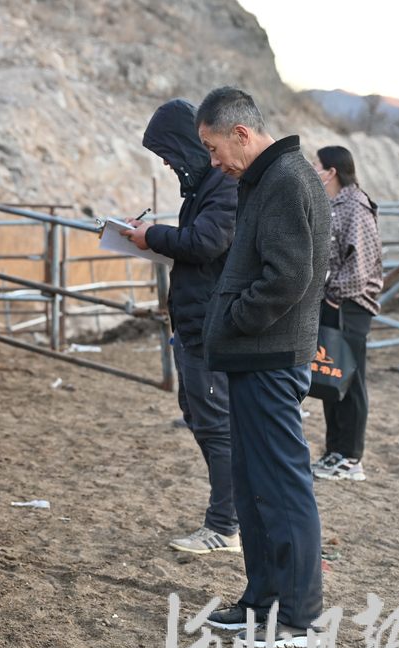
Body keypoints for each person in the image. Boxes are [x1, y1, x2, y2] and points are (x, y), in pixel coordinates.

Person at [194, 87, 330, 648]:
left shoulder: (286, 179)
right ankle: (262, 601)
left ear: (241, 134)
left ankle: (298, 617)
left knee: (282, 485)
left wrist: (233, 319)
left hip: (270, 358)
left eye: (213, 147)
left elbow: (288, 276)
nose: (213, 161)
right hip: (257, 357)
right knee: (255, 485)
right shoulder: (269, 177)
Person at [121, 99, 239, 555]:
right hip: (194, 323)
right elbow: (197, 241)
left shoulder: (222, 186)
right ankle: (229, 518)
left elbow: (207, 241)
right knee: (201, 418)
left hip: (208, 325)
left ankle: (225, 526)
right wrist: (153, 235)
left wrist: (152, 235)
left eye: (169, 155)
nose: (169, 165)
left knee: (216, 426)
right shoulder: (203, 188)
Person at [310, 146, 382, 482]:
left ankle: (351, 458)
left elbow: (360, 266)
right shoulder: (334, 204)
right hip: (333, 302)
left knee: (350, 381)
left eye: (317, 165)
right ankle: (334, 452)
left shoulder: (356, 206)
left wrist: (334, 297)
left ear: (332, 171)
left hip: (349, 305)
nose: (313, 170)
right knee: (331, 377)